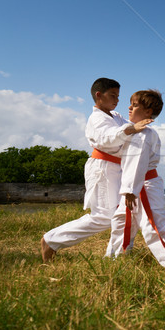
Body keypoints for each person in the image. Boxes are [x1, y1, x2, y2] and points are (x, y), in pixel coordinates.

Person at [41, 78, 151, 263]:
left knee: (125, 212)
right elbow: (108, 138)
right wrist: (131, 129)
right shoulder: (96, 119)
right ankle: (51, 240)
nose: (116, 100)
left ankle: (117, 255)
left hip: (119, 168)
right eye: (112, 95)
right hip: (102, 168)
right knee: (104, 216)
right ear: (98, 96)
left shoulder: (115, 116)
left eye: (118, 96)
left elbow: (133, 126)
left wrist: (145, 115)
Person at [105, 90, 165, 270]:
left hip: (143, 186)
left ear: (148, 112)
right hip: (135, 186)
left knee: (154, 226)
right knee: (121, 221)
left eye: (134, 105)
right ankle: (115, 258)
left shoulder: (144, 134)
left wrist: (130, 191)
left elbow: (137, 163)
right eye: (130, 103)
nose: (129, 107)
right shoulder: (134, 132)